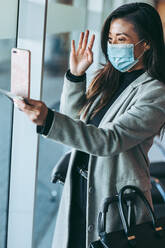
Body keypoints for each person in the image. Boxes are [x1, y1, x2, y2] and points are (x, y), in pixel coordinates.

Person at [14, 2, 165, 248]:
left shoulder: (155, 92)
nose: (114, 46)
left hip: (116, 201)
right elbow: (76, 123)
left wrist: (48, 120)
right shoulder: (109, 79)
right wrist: (76, 76)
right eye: (110, 39)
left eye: (122, 39)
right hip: (81, 188)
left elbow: (109, 140)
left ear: (146, 43)